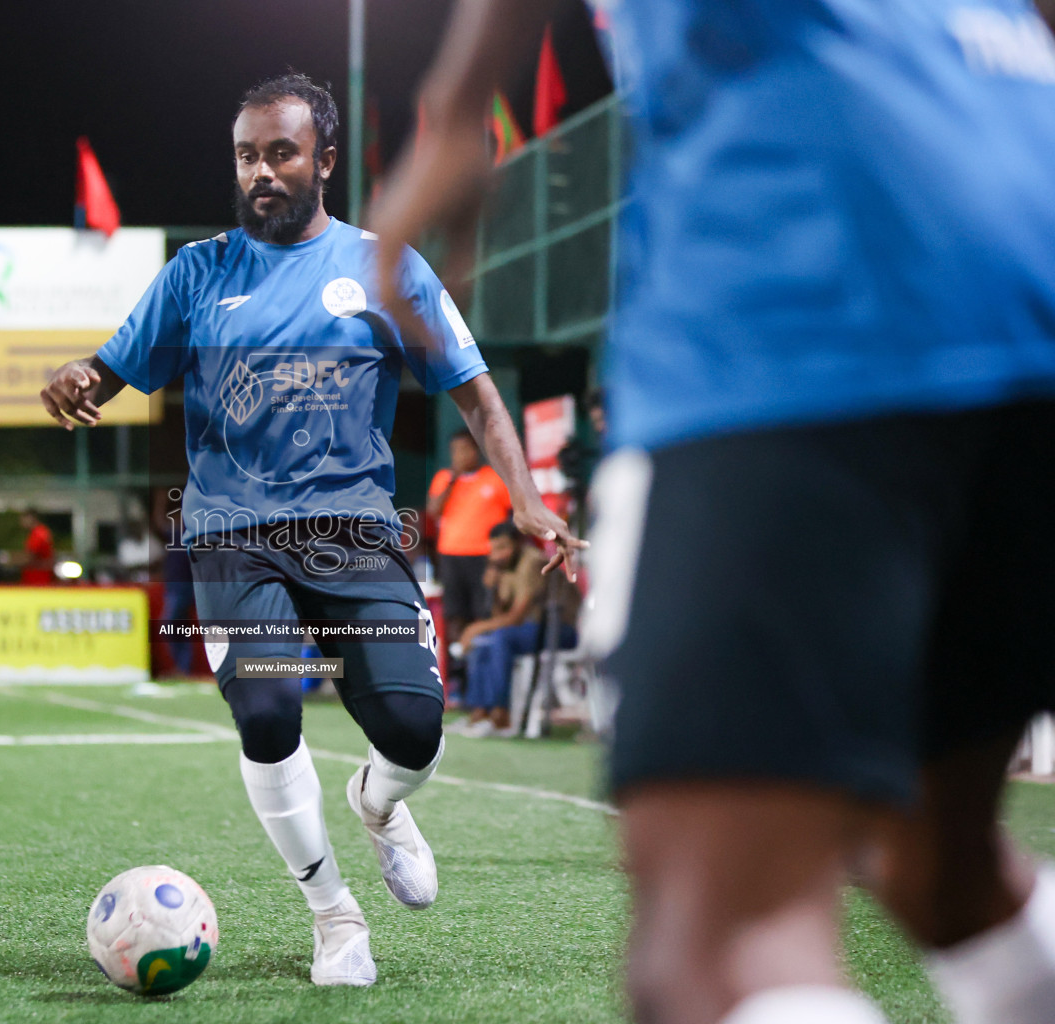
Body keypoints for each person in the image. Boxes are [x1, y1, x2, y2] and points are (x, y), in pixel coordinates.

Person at [370, 2, 1055, 1023]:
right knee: (941, 861)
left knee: (724, 942)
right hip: (1025, 217)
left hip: (812, 258)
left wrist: (458, 107)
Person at [41, 72, 584, 987]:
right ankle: (335, 918)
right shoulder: (197, 274)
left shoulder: (386, 268)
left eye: (281, 152)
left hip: (354, 532)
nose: (260, 171)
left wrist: (527, 500)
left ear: (324, 161)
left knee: (413, 729)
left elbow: (476, 392)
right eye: (248, 155)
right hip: (234, 532)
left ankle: (377, 803)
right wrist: (77, 381)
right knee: (266, 708)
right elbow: (106, 369)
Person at [457, 520, 578, 738]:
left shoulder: (531, 562)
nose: (497, 555)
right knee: (485, 640)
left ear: (519, 543)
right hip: (531, 629)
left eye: (503, 547)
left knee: (500, 637)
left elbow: (516, 617)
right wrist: (492, 589)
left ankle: (501, 716)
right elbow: (499, 616)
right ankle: (479, 713)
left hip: (563, 630)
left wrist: (474, 628)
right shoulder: (503, 566)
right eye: (494, 549)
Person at [427, 428, 512, 700]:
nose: (460, 456)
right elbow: (433, 512)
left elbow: (510, 520)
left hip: (485, 558)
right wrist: (453, 480)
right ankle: (459, 681)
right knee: (455, 617)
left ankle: (481, 684)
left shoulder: (494, 479)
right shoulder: (444, 479)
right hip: (451, 556)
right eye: (455, 451)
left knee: (483, 614)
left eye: (465, 449)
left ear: (476, 450)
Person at [19, 509, 55, 586]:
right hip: (38, 576)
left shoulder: (38, 533)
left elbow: (31, 555)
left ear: (31, 518)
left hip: (38, 577)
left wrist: (11, 561)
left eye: (23, 519)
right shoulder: (41, 532)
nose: (21, 522)